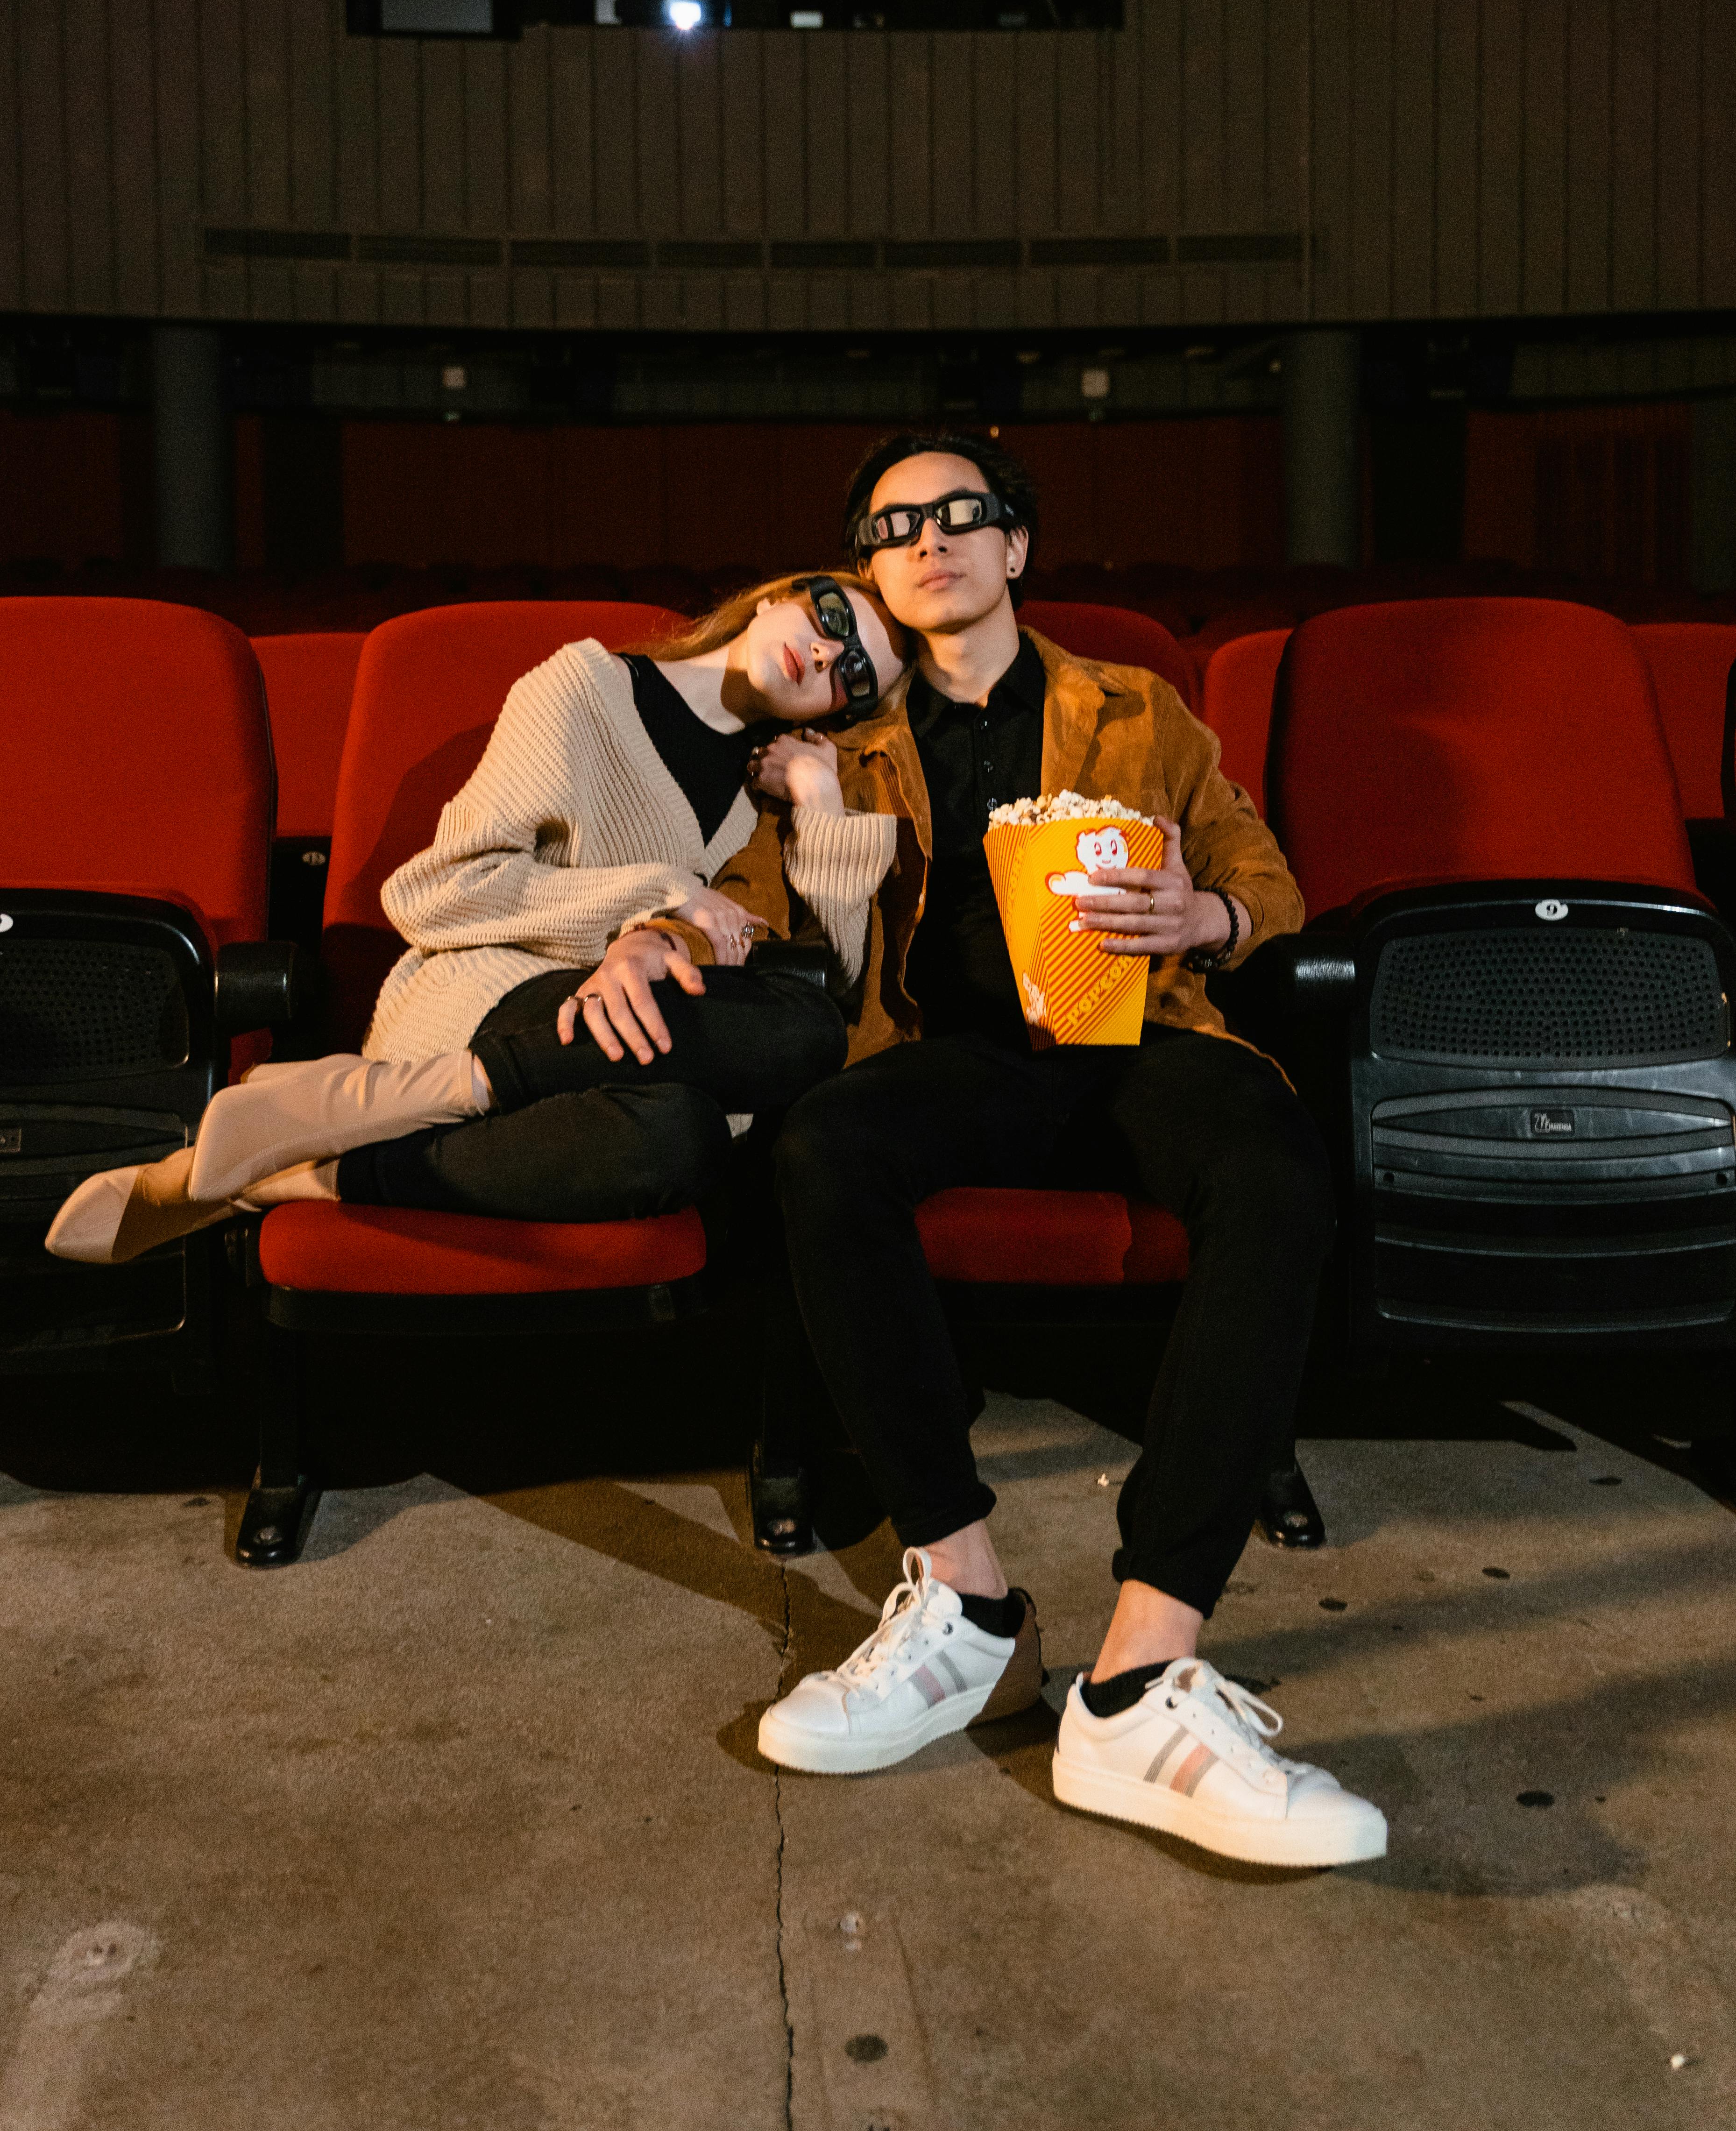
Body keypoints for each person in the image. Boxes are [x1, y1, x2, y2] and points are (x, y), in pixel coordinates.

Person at [716, 431, 1385, 1869]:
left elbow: (1263, 875)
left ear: (1014, 548)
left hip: (1140, 1031)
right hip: (957, 1059)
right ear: (870, 575)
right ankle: (963, 1611)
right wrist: (776, 840)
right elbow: (766, 932)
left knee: (1273, 1169)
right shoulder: (837, 745)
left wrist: (1202, 920)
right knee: (822, 1145)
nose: (930, 538)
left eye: (962, 514)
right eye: (894, 526)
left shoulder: (1134, 708)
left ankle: (1143, 1677)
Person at [47, 573, 907, 1262]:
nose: (828, 655)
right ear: (779, 597)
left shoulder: (754, 802)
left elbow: (828, 979)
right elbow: (439, 891)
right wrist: (658, 891)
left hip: (611, 1044)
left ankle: (301, 1164)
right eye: (832, 617)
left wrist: (819, 798)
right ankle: (419, 1091)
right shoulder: (586, 688)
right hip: (481, 995)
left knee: (691, 1128)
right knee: (795, 1037)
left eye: (854, 677)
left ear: (839, 715)